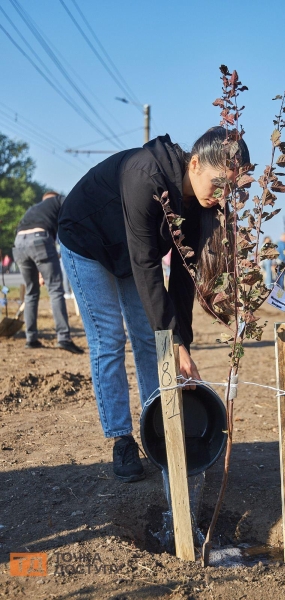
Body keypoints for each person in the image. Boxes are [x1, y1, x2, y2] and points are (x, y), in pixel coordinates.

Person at [58, 128, 250, 483]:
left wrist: (181, 343)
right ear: (195, 164)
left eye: (231, 190)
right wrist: (173, 342)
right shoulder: (144, 175)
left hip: (128, 256)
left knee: (152, 338)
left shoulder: (197, 207)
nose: (223, 197)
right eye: (219, 184)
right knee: (109, 339)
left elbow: (180, 280)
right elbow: (147, 266)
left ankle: (158, 427)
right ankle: (121, 439)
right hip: (85, 242)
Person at [12, 191, 84, 353]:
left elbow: (32, 245)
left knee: (31, 292)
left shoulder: (34, 209)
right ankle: (64, 338)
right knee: (55, 290)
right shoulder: (58, 201)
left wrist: (41, 271)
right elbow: (75, 204)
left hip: (19, 243)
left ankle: (31, 339)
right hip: (40, 239)